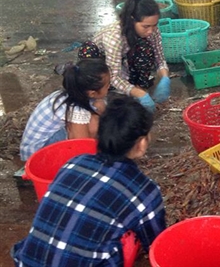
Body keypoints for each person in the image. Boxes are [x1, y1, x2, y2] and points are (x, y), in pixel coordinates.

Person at [12, 96, 166, 266]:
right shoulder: (145, 192)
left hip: (26, 263)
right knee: (125, 241)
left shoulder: (74, 163)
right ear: (142, 143)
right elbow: (157, 245)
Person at [78, 0, 171, 113]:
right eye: (145, 26)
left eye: (154, 25)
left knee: (145, 48)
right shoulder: (114, 36)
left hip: (124, 61)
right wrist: (138, 93)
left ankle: (139, 88)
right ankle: (125, 92)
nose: (150, 31)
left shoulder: (152, 30)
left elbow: (159, 58)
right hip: (103, 61)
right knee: (94, 77)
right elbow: (113, 75)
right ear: (132, 20)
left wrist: (164, 77)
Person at [19, 59, 109, 162]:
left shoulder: (72, 93)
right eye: (107, 86)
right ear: (92, 93)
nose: (109, 87)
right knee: (94, 124)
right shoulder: (76, 109)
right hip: (36, 156)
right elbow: (83, 145)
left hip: (35, 147)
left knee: (96, 115)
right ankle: (71, 163)